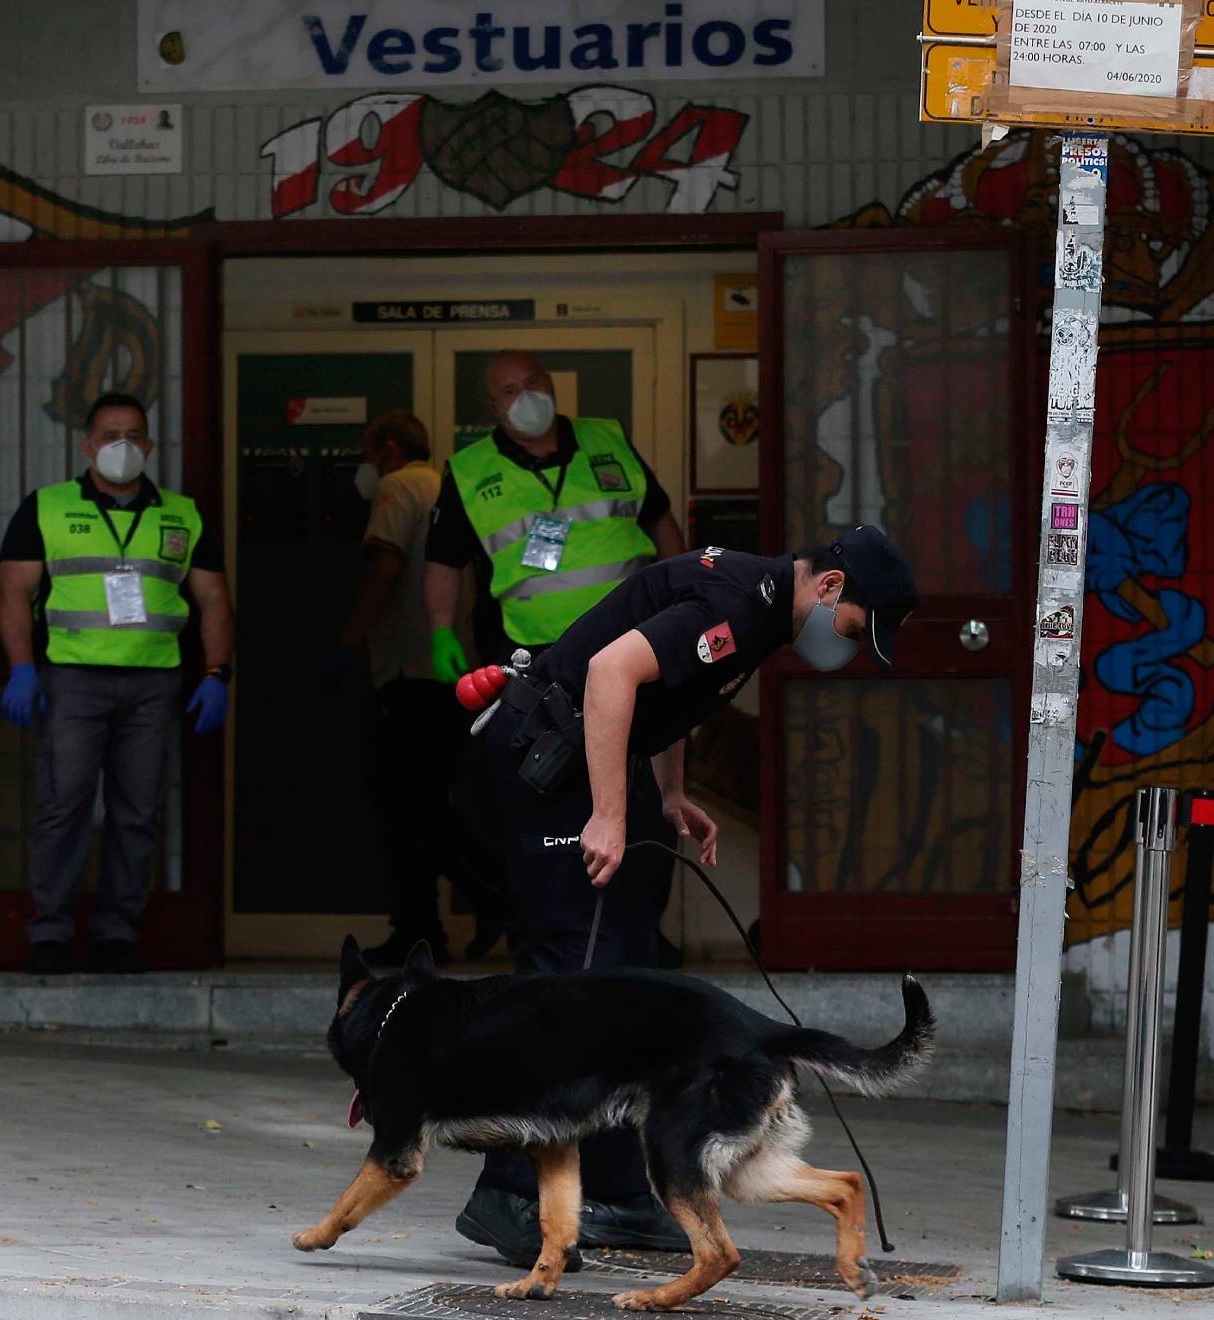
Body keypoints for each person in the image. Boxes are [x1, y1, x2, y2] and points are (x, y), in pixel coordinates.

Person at [453, 527, 918, 1267]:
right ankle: (506, 1193)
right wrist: (607, 814)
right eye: (858, 630)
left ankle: (617, 1192)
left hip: (595, 753)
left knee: (629, 972)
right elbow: (611, 672)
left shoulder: (766, 611)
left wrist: (669, 793)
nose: (850, 646)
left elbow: (669, 692)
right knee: (567, 977)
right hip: (548, 756)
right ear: (830, 589)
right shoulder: (740, 600)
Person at [424, 351, 693, 973]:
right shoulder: (470, 471)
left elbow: (662, 527)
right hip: (539, 668)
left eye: (535, 383)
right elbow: (443, 559)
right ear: (493, 407)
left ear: (553, 385)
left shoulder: (608, 441)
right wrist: (440, 629)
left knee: (645, 803)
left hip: (637, 655)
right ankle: (554, 957)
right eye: (511, 390)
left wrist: (689, 603)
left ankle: (638, 948)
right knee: (548, 815)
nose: (528, 396)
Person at [0, 391, 235, 976]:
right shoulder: (46, 507)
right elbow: (13, 592)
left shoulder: (183, 513)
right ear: (86, 445)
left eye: (132, 434)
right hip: (74, 679)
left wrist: (217, 673)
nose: (121, 446)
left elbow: (213, 599)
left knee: (137, 813)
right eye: (109, 434)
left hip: (153, 684)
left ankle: (116, 936)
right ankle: (50, 936)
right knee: (65, 808)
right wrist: (22, 667)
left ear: (150, 445)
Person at [324, 409, 505, 967]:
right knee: (418, 803)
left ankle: (492, 894)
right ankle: (419, 929)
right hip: (453, 673)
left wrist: (347, 643)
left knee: (408, 803)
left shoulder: (400, 488)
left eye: (368, 452)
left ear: (386, 449)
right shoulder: (449, 486)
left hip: (409, 671)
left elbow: (385, 569)